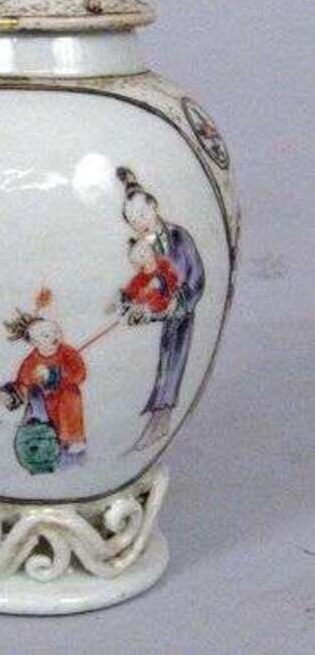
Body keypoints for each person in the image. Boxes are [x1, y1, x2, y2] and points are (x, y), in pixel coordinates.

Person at [115, 167, 205, 452]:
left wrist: (181, 300)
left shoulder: (180, 237)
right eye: (133, 221)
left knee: (172, 365)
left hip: (182, 314)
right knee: (164, 366)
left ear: (153, 206)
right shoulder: (143, 251)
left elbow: (197, 277)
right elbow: (140, 288)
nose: (139, 223)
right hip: (162, 318)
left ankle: (160, 423)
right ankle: (155, 424)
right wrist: (134, 308)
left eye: (142, 214)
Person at [3, 311, 88, 466]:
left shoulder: (67, 352)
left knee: (70, 404)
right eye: (46, 335)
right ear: (35, 342)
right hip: (48, 399)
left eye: (55, 331)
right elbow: (23, 382)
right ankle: (53, 441)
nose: (54, 336)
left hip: (67, 394)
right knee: (49, 418)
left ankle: (74, 438)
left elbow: (80, 372)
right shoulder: (31, 361)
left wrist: (56, 374)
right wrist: (12, 394)